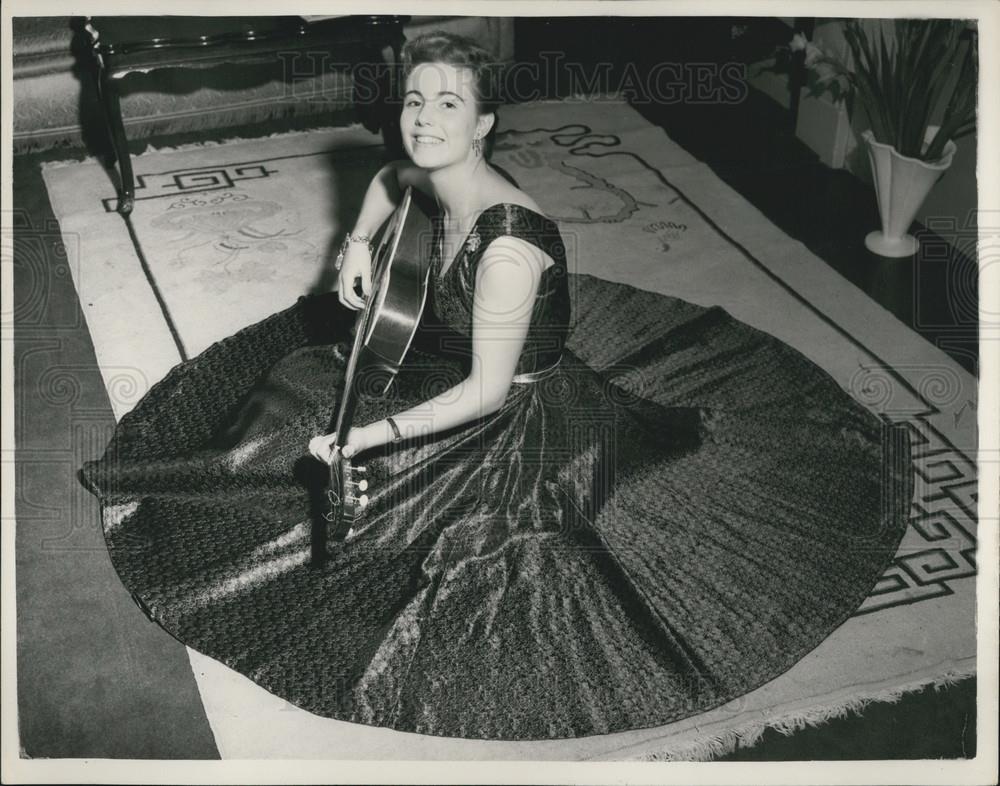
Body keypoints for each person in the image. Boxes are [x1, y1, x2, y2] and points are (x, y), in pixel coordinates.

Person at [81, 31, 913, 740]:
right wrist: (359, 245)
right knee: (289, 391)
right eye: (414, 100)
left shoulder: (510, 247)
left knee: (373, 509)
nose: (423, 119)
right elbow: (387, 181)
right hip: (450, 359)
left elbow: (486, 394)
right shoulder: (424, 174)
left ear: (483, 124)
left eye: (448, 105)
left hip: (520, 418)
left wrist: (369, 437)